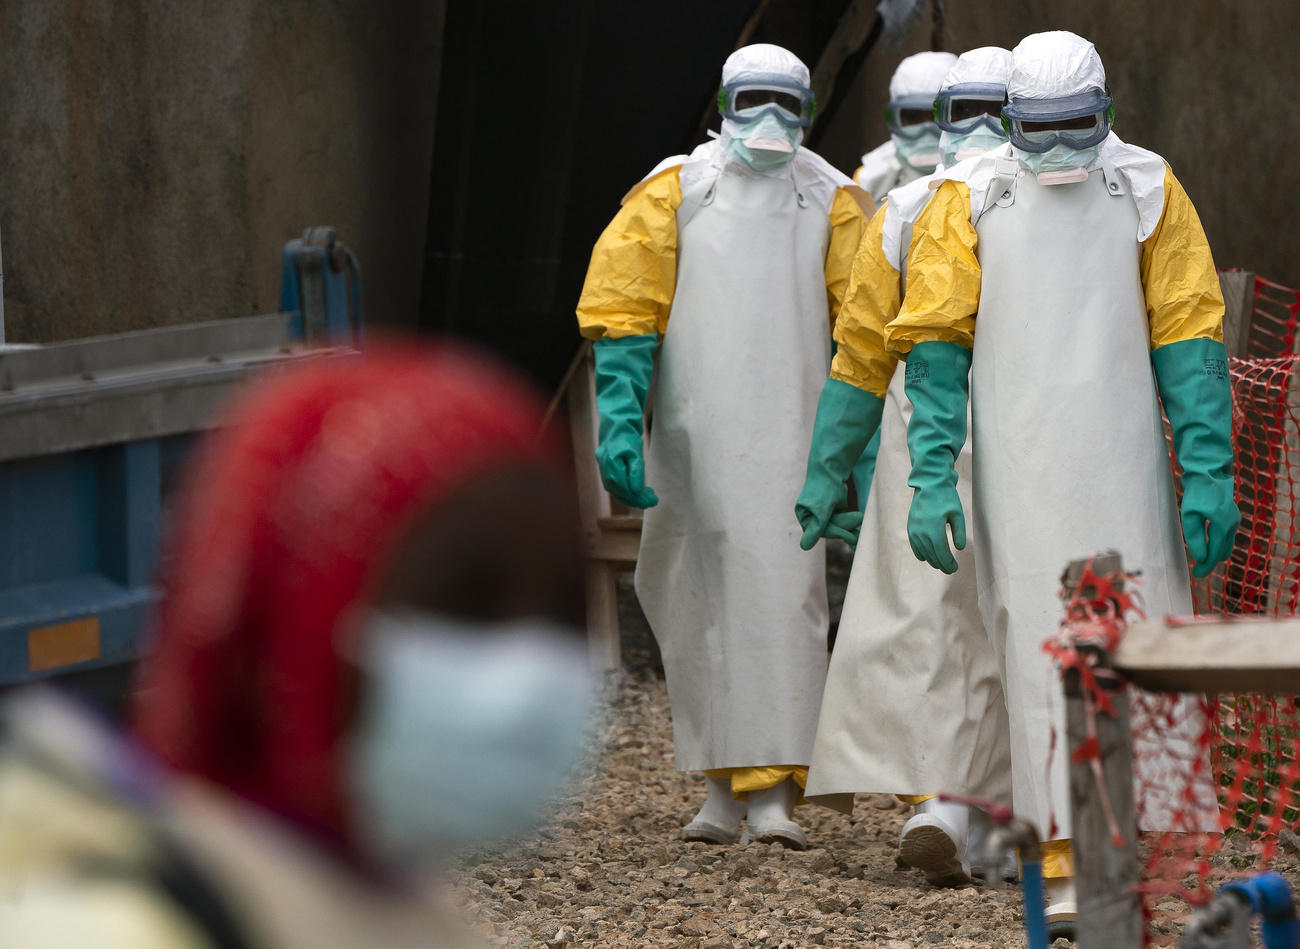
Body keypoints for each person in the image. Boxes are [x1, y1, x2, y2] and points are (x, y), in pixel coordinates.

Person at [0, 344, 592, 948]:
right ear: (298, 623)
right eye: (467, 604)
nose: (528, 671)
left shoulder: (372, 906)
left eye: (563, 608)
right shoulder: (104, 930)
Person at [884, 31, 1238, 935]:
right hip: (1020, 467)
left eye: (1072, 129)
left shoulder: (1149, 187)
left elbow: (1190, 333)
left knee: (1136, 644)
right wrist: (932, 474)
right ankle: (1064, 857)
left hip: (1125, 466)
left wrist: (1207, 469)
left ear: (1106, 114)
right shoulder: (967, 197)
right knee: (1041, 649)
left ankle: (1134, 851)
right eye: (1034, 131)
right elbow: (935, 338)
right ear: (1007, 122)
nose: (1054, 151)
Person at [576, 43, 870, 849]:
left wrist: (856, 454)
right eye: (755, 101)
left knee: (786, 604)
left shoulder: (833, 201)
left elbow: (865, 327)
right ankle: (717, 784)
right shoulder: (675, 192)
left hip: (794, 436)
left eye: (788, 103)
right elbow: (625, 307)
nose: (771, 122)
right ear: (725, 104)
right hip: (694, 437)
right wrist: (620, 417)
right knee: (691, 595)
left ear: (806, 112)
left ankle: (775, 789)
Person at [798, 47, 1015, 889]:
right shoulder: (919, 208)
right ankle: (961, 802)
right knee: (965, 627)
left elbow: (857, 357)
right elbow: (859, 351)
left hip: (931, 445)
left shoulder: (911, 206)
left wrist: (829, 467)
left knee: (946, 625)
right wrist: (829, 469)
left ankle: (967, 804)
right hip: (992, 443)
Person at [854, 50, 958, 210]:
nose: (926, 128)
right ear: (894, 121)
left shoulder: (990, 176)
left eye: (938, 116)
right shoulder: (869, 182)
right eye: (913, 117)